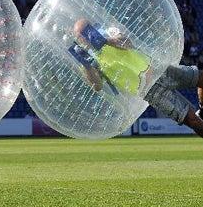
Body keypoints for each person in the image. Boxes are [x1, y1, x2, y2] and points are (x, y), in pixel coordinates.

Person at [70, 18, 203, 137]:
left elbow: (128, 43)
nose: (84, 39)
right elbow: (97, 86)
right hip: (148, 91)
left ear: (92, 28)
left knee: (201, 77)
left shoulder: (108, 32)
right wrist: (87, 66)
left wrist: (105, 41)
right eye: (80, 37)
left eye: (86, 32)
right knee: (192, 120)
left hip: (157, 70)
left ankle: (202, 110)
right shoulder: (87, 60)